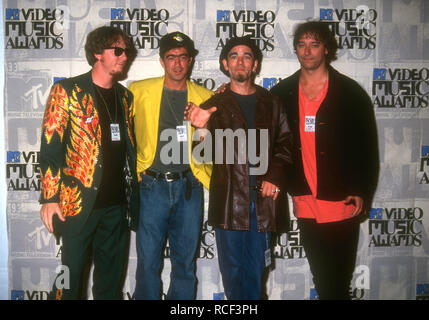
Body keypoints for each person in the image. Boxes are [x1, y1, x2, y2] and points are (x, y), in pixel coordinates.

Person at [271, 21, 379, 300]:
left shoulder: (351, 94)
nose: (307, 51)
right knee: (321, 276)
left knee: (338, 280)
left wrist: (362, 191)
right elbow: (257, 119)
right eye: (301, 44)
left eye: (314, 44)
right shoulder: (282, 93)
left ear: (326, 48)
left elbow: (367, 149)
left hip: (341, 200)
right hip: (305, 200)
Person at [186, 36, 293, 300]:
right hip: (230, 202)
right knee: (232, 275)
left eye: (246, 56)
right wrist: (200, 127)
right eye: (234, 56)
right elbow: (202, 155)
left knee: (256, 274)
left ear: (255, 64)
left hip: (264, 200)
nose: (240, 61)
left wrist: (275, 177)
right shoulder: (215, 104)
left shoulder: (272, 102)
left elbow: (286, 144)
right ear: (225, 63)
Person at [39, 26, 139, 300]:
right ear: (97, 53)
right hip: (76, 204)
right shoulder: (67, 91)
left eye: (126, 51)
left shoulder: (125, 97)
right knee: (68, 277)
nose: (124, 56)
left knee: (110, 282)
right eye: (117, 51)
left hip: (116, 207)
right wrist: (49, 197)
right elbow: (50, 148)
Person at [129, 31, 213, 300]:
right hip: (150, 187)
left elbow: (208, 150)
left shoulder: (206, 96)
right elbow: (121, 136)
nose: (177, 64)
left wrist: (204, 127)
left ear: (191, 61)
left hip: (189, 187)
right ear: (162, 61)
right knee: (148, 264)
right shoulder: (138, 91)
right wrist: (132, 170)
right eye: (171, 57)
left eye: (183, 58)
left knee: (185, 264)